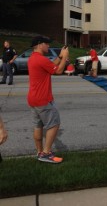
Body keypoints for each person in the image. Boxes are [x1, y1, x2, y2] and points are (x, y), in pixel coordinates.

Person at [27, 36, 69, 164]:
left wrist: (61, 57)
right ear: (40, 45)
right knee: (54, 124)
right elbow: (59, 70)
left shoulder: (33, 58)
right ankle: (46, 153)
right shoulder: (40, 59)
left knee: (38, 126)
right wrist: (65, 57)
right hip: (43, 99)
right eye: (46, 44)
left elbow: (51, 66)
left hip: (33, 99)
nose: (48, 46)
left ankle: (39, 152)